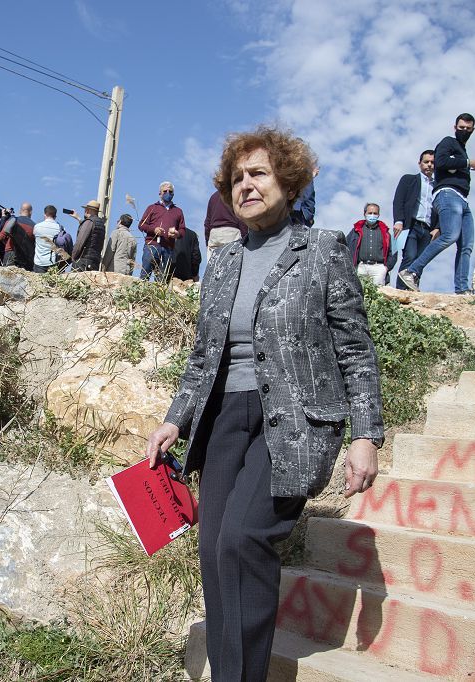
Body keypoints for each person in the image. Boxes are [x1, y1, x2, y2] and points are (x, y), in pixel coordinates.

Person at [145, 126, 383, 682]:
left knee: (245, 539)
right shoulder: (223, 263)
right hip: (226, 417)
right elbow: (205, 356)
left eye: (258, 174)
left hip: (295, 422)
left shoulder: (323, 249)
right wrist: (173, 420)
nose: (245, 186)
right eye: (236, 179)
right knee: (213, 552)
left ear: (288, 180)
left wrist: (365, 435)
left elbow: (355, 348)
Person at [400, 114, 475, 293]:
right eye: (461, 128)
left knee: (466, 245)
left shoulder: (462, 149)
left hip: (463, 199)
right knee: (450, 236)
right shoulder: (448, 142)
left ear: (473, 130)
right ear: (455, 127)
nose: (464, 131)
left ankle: (462, 289)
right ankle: (411, 271)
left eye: (468, 129)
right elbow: (441, 161)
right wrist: (469, 163)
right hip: (448, 194)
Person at [392, 150, 436, 289]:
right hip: (411, 226)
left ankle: (412, 289)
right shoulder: (409, 179)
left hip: (428, 229)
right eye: (426, 162)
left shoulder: (438, 186)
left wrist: (438, 228)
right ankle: (400, 291)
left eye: (432, 162)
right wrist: (398, 221)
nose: (429, 165)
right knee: (409, 257)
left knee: (420, 261)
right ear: (420, 163)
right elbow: (398, 201)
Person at [138, 181, 187, 281]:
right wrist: (154, 229)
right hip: (152, 246)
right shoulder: (152, 208)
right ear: (160, 193)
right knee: (145, 275)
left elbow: (182, 230)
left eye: (170, 191)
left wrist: (176, 234)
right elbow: (141, 225)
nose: (168, 193)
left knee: (162, 280)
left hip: (168, 249)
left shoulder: (178, 211)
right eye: (165, 191)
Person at [345, 203, 394, 286]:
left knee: (378, 294)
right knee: (358, 294)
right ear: (365, 214)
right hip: (360, 267)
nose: (372, 215)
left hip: (378, 269)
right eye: (370, 213)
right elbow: (345, 246)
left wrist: (386, 268)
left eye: (375, 213)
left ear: (378, 215)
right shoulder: (356, 231)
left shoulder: (385, 233)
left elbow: (393, 252)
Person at [68, 200, 107, 272]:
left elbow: (79, 243)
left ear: (87, 210)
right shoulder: (101, 224)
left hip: (83, 261)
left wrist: (72, 258)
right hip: (95, 262)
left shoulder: (89, 221)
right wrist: (79, 219)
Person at [33, 205, 62, 273]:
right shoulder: (60, 228)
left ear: (45, 214)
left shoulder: (37, 227)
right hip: (53, 263)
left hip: (39, 262)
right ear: (55, 216)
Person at [7, 202, 36, 270]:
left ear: (20, 211)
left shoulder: (12, 220)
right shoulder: (34, 226)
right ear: (31, 212)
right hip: (26, 256)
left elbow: (2, 236)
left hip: (11, 251)